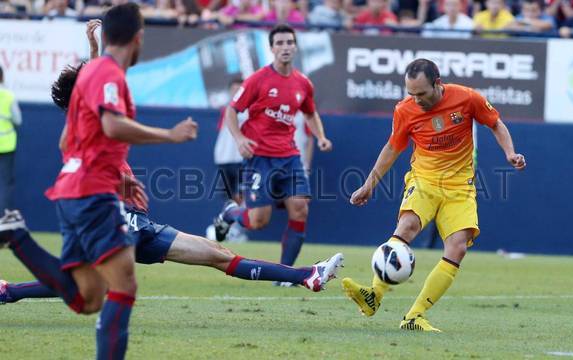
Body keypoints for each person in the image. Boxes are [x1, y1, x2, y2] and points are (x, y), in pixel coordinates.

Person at [0, 20, 343, 306]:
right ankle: (10, 285)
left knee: (216, 253)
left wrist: (92, 51)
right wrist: (169, 136)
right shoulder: (83, 125)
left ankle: (306, 276)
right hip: (113, 219)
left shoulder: (88, 117)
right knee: (90, 285)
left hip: (139, 222)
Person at [0, 4, 199, 359]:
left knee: (87, 297)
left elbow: (67, 142)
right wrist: (168, 135)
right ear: (138, 38)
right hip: (92, 192)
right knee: (122, 285)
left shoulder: (91, 77)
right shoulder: (109, 77)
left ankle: (17, 237)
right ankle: (16, 239)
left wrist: (115, 179)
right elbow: (111, 125)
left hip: (74, 189)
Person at [342, 58, 526, 332]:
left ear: (438, 83)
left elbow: (496, 124)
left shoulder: (467, 98)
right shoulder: (405, 110)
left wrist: (509, 152)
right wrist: (369, 184)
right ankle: (373, 296)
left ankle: (414, 316)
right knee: (407, 226)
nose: (416, 100)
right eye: (411, 94)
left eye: (422, 94)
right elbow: (392, 148)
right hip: (424, 179)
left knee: (458, 247)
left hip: (459, 186)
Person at [213, 25, 333, 274]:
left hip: (289, 157)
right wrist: (239, 139)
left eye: (290, 42)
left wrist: (320, 136)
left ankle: (286, 274)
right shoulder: (258, 79)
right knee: (258, 221)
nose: (285, 47)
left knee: (300, 208)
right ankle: (231, 213)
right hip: (260, 158)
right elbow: (232, 111)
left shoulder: (303, 83)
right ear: (272, 48)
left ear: (296, 46)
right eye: (280, 43)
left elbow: (311, 114)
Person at [210, 77, 249, 242]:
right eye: (233, 89)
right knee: (227, 197)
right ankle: (229, 227)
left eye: (239, 89)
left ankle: (237, 230)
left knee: (241, 196)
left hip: (242, 159)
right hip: (224, 159)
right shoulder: (227, 109)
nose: (235, 92)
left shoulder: (251, 109)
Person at [0, 66, 22, 213]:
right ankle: (2, 220)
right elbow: (18, 120)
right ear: (2, 77)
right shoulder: (8, 96)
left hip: (7, 146)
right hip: (7, 145)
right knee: (6, 185)